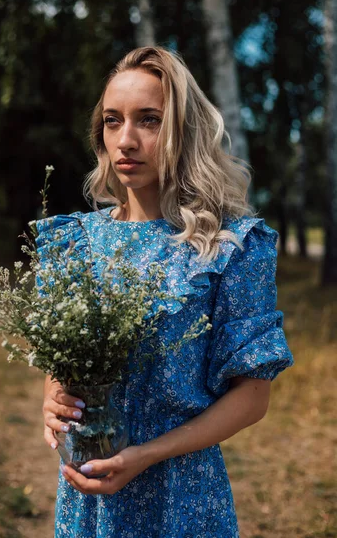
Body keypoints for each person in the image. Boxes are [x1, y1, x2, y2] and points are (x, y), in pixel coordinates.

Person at [36, 46, 294, 538]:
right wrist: (53, 402)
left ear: (183, 131)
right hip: (87, 492)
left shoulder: (228, 246)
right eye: (113, 121)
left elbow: (253, 397)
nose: (126, 140)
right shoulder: (74, 242)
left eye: (149, 121)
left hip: (182, 495)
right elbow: (59, 368)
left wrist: (148, 455)